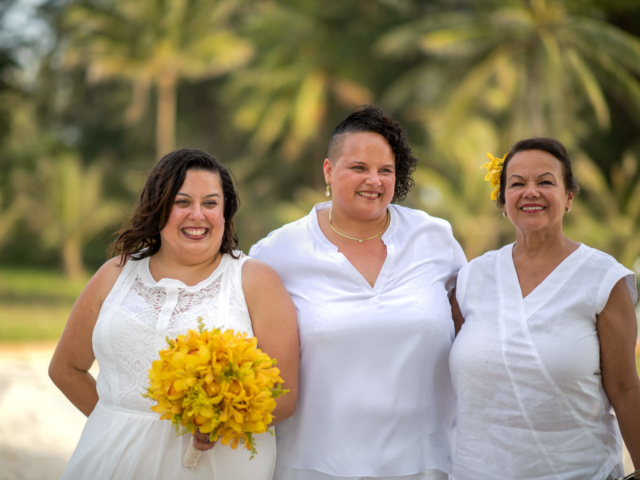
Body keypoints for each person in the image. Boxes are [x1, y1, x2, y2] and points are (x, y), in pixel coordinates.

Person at [49, 149, 299, 479]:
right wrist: (119, 422)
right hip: (109, 461)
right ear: (159, 209)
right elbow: (65, 369)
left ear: (225, 213)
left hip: (214, 466)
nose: (197, 214)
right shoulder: (114, 274)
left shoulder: (256, 280)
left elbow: (285, 396)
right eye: (182, 202)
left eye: (210, 203)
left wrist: (218, 422)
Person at [250, 105, 467, 480]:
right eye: (359, 168)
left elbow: (475, 329)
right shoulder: (276, 253)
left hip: (427, 463)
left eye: (386, 170)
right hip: (313, 466)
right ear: (328, 172)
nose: (375, 180)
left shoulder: (435, 238)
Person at [449, 138, 640, 479]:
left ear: (569, 197)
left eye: (546, 181)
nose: (531, 192)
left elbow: (626, 389)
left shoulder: (602, 279)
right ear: (503, 201)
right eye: (517, 183)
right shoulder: (471, 278)